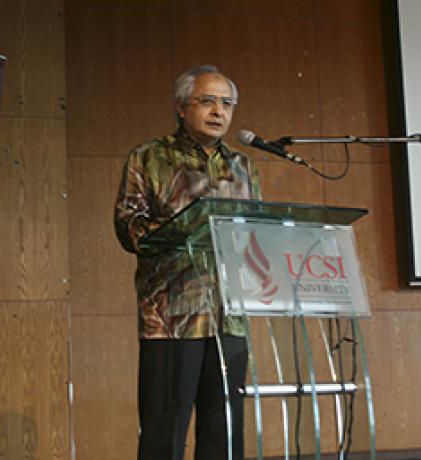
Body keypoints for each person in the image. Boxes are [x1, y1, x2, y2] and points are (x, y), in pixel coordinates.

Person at [114, 65, 261, 460]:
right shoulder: (148, 157)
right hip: (171, 317)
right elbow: (130, 227)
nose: (219, 111)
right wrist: (188, 226)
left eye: (227, 103)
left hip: (229, 316)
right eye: (208, 101)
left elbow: (255, 233)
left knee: (224, 435)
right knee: (165, 436)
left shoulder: (244, 167)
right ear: (181, 107)